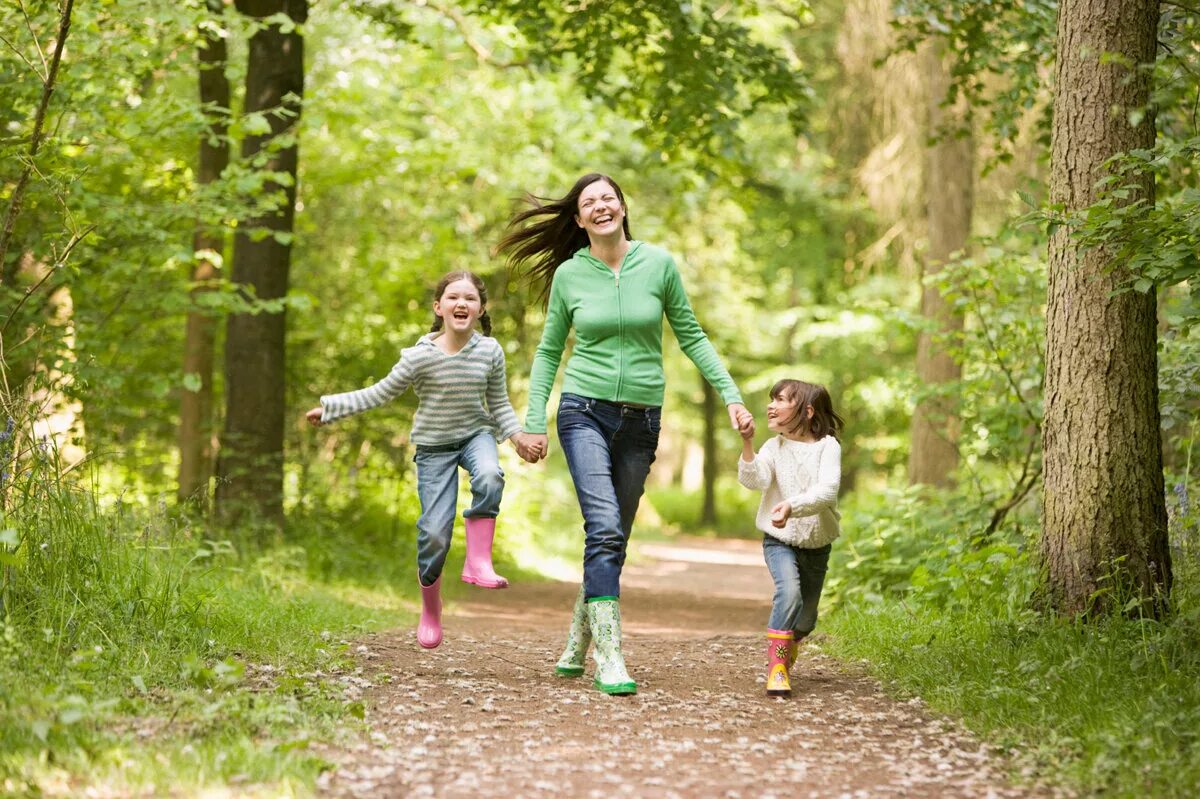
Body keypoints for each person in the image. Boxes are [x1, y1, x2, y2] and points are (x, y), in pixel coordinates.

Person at [497, 172, 754, 695]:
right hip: (582, 411)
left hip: (642, 418)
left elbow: (691, 334)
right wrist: (532, 421)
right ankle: (609, 658)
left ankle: (577, 637)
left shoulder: (658, 264)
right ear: (578, 219)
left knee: (613, 537)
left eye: (607, 198)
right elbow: (549, 350)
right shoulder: (571, 275)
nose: (599, 207)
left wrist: (731, 394)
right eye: (589, 203)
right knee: (606, 527)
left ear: (622, 207)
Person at [305, 271, 543, 650]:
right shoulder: (419, 357)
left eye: (469, 298)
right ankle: (431, 608)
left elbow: (498, 404)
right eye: (453, 297)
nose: (461, 303)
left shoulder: (490, 351)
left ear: (481, 309)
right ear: (439, 307)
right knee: (434, 533)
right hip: (433, 447)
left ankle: (477, 561)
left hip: (475, 436)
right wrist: (330, 408)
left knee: (490, 475)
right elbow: (378, 393)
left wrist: (517, 439)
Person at [737, 378, 844, 697]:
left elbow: (826, 491)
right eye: (772, 399)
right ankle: (777, 669)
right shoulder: (774, 447)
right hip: (778, 539)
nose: (771, 405)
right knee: (790, 593)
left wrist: (792, 505)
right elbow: (755, 480)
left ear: (807, 411)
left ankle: (791, 641)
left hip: (817, 544)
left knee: (806, 619)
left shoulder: (828, 447)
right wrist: (747, 444)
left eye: (781, 399)